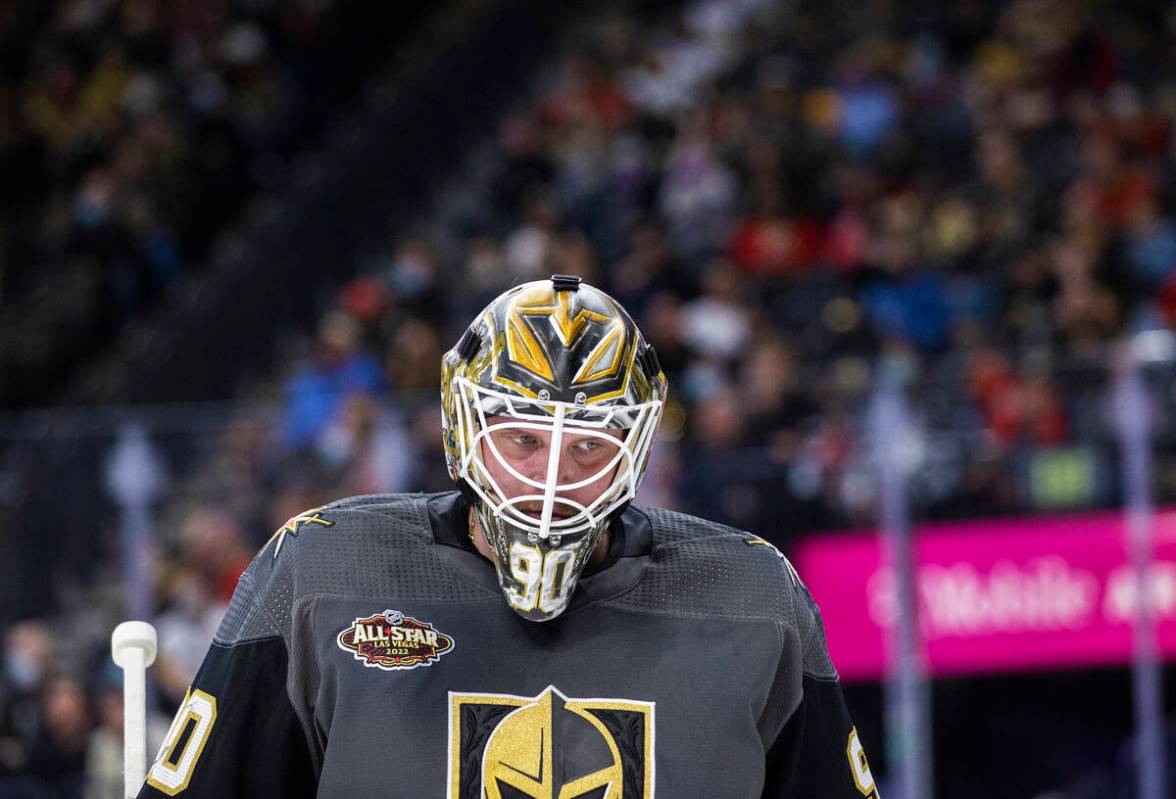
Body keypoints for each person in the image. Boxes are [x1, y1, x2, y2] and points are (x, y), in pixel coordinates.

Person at [136, 276, 879, 798]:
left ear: (636, 451)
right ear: (466, 429)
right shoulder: (322, 569)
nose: (550, 477)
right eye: (522, 439)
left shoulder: (754, 596)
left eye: (588, 446)